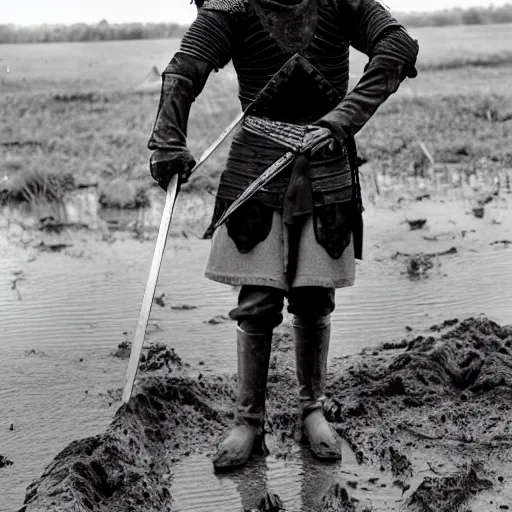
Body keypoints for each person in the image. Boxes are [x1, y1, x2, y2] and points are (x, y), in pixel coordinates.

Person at [147, 0, 418, 471]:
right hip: (257, 158)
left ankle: (311, 409)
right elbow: (184, 70)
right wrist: (168, 139)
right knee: (257, 300)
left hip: (328, 160)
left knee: (314, 297)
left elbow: (397, 45)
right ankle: (249, 420)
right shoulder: (232, 4)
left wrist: (341, 118)